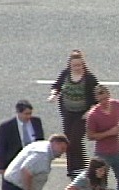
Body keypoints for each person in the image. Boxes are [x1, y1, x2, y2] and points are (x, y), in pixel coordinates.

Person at [47, 49, 100, 178]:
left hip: (82, 114)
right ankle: (73, 169)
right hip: (68, 113)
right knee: (68, 142)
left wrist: (90, 111)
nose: (77, 67)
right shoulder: (66, 74)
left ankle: (82, 167)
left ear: (83, 65)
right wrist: (54, 94)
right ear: (70, 65)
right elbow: (57, 85)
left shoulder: (89, 78)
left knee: (75, 141)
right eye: (74, 65)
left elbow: (98, 96)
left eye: (79, 65)